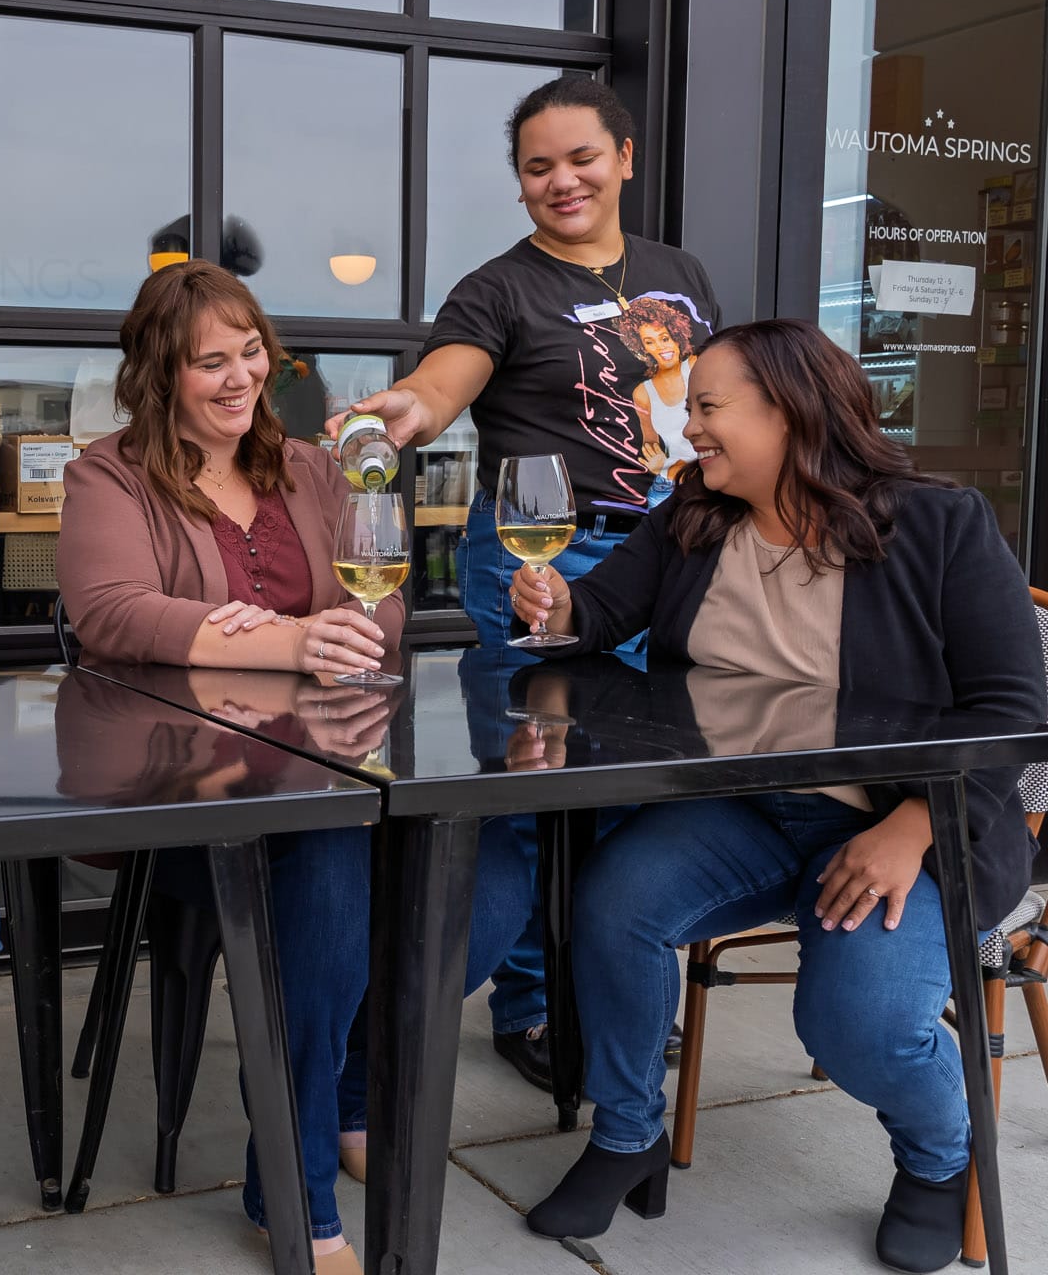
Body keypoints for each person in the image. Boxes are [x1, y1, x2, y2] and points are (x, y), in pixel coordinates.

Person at [507, 319, 1043, 1272]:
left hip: (905, 825)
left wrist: (914, 827)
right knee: (615, 904)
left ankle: (939, 1158)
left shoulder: (938, 524)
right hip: (748, 810)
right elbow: (600, 613)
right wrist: (557, 610)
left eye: (708, 406)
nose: (688, 427)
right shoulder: (695, 516)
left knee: (858, 1026)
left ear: (789, 412)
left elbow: (1013, 710)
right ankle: (626, 1136)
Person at [329, 75, 722, 1090]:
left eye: (581, 158)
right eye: (537, 167)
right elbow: (441, 383)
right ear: (518, 183)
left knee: (644, 785)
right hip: (545, 556)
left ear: (623, 157)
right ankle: (535, 1006)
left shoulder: (678, 273)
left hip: (675, 553)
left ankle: (613, 989)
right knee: (534, 784)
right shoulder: (498, 288)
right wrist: (410, 412)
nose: (561, 181)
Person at [56, 259, 395, 1275]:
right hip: (182, 783)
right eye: (211, 361)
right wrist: (289, 641)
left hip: (320, 765)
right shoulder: (109, 474)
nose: (241, 376)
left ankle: (347, 1092)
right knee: (332, 863)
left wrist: (343, 630)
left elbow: (379, 606)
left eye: (251, 352)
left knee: (477, 860)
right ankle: (295, 1190)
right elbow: (110, 612)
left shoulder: (311, 469)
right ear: (160, 372)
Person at [616, 295, 701, 495]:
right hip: (668, 484)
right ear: (642, 348)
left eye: (664, 338)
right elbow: (651, 449)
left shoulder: (697, 366)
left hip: (707, 481)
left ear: (676, 335)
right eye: (650, 342)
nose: (661, 347)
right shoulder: (643, 392)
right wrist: (660, 467)